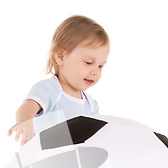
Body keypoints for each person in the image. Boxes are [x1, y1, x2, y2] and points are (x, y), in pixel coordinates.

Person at [8, 15, 110, 145]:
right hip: (45, 158)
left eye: (101, 66)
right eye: (88, 62)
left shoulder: (91, 105)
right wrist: (25, 124)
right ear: (61, 57)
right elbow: (27, 107)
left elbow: (95, 137)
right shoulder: (50, 90)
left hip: (74, 159)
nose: (96, 72)